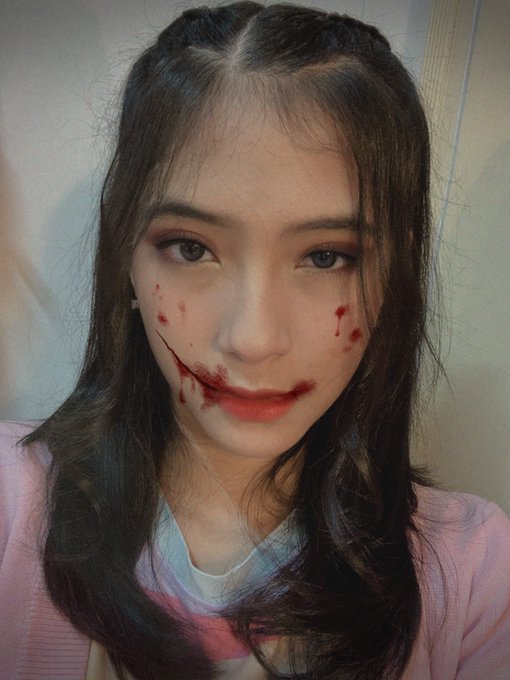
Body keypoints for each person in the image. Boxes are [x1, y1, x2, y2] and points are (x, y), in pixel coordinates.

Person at [1, 2, 510, 678]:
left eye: (327, 257)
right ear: (126, 253)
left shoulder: (475, 575)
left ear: (394, 273)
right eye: (190, 247)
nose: (253, 339)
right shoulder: (10, 506)